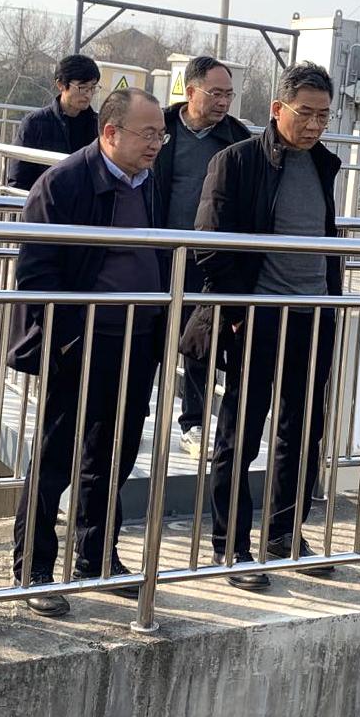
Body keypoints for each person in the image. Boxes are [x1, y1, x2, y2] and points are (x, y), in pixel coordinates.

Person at [6, 88, 171, 617]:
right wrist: (66, 337)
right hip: (81, 340)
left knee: (115, 453)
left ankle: (96, 557)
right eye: (148, 133)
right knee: (56, 455)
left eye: (161, 134)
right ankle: (33, 568)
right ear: (110, 132)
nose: (156, 143)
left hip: (138, 339)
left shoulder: (152, 183)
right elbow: (37, 272)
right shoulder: (65, 183)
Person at [180, 63, 342, 590]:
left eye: (323, 115)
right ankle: (231, 547)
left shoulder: (323, 164)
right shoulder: (237, 161)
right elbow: (210, 244)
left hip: (313, 318)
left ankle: (284, 535)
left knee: (302, 434)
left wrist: (331, 301)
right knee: (240, 434)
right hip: (258, 318)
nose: (314, 124)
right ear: (277, 109)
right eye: (305, 113)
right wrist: (237, 312)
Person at [148, 56, 252, 459]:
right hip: (156, 254)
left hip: (206, 259)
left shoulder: (237, 139)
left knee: (199, 343)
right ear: (190, 91)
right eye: (216, 93)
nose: (223, 102)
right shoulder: (160, 128)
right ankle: (132, 414)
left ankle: (192, 423)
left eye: (229, 94)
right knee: (146, 336)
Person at [4, 54, 101, 191]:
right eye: (82, 87)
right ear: (61, 85)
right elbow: (19, 180)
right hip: (45, 200)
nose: (88, 94)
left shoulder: (99, 126)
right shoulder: (35, 124)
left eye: (92, 88)